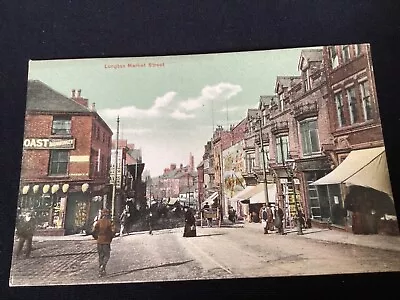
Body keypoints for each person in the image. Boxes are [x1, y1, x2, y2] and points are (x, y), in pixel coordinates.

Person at [93, 208, 115, 277]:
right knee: (107, 255)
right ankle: (103, 266)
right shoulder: (109, 222)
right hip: (106, 241)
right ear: (108, 214)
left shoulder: (98, 222)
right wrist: (111, 237)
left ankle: (101, 271)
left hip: (99, 241)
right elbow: (113, 231)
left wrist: (96, 237)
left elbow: (94, 231)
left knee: (101, 256)